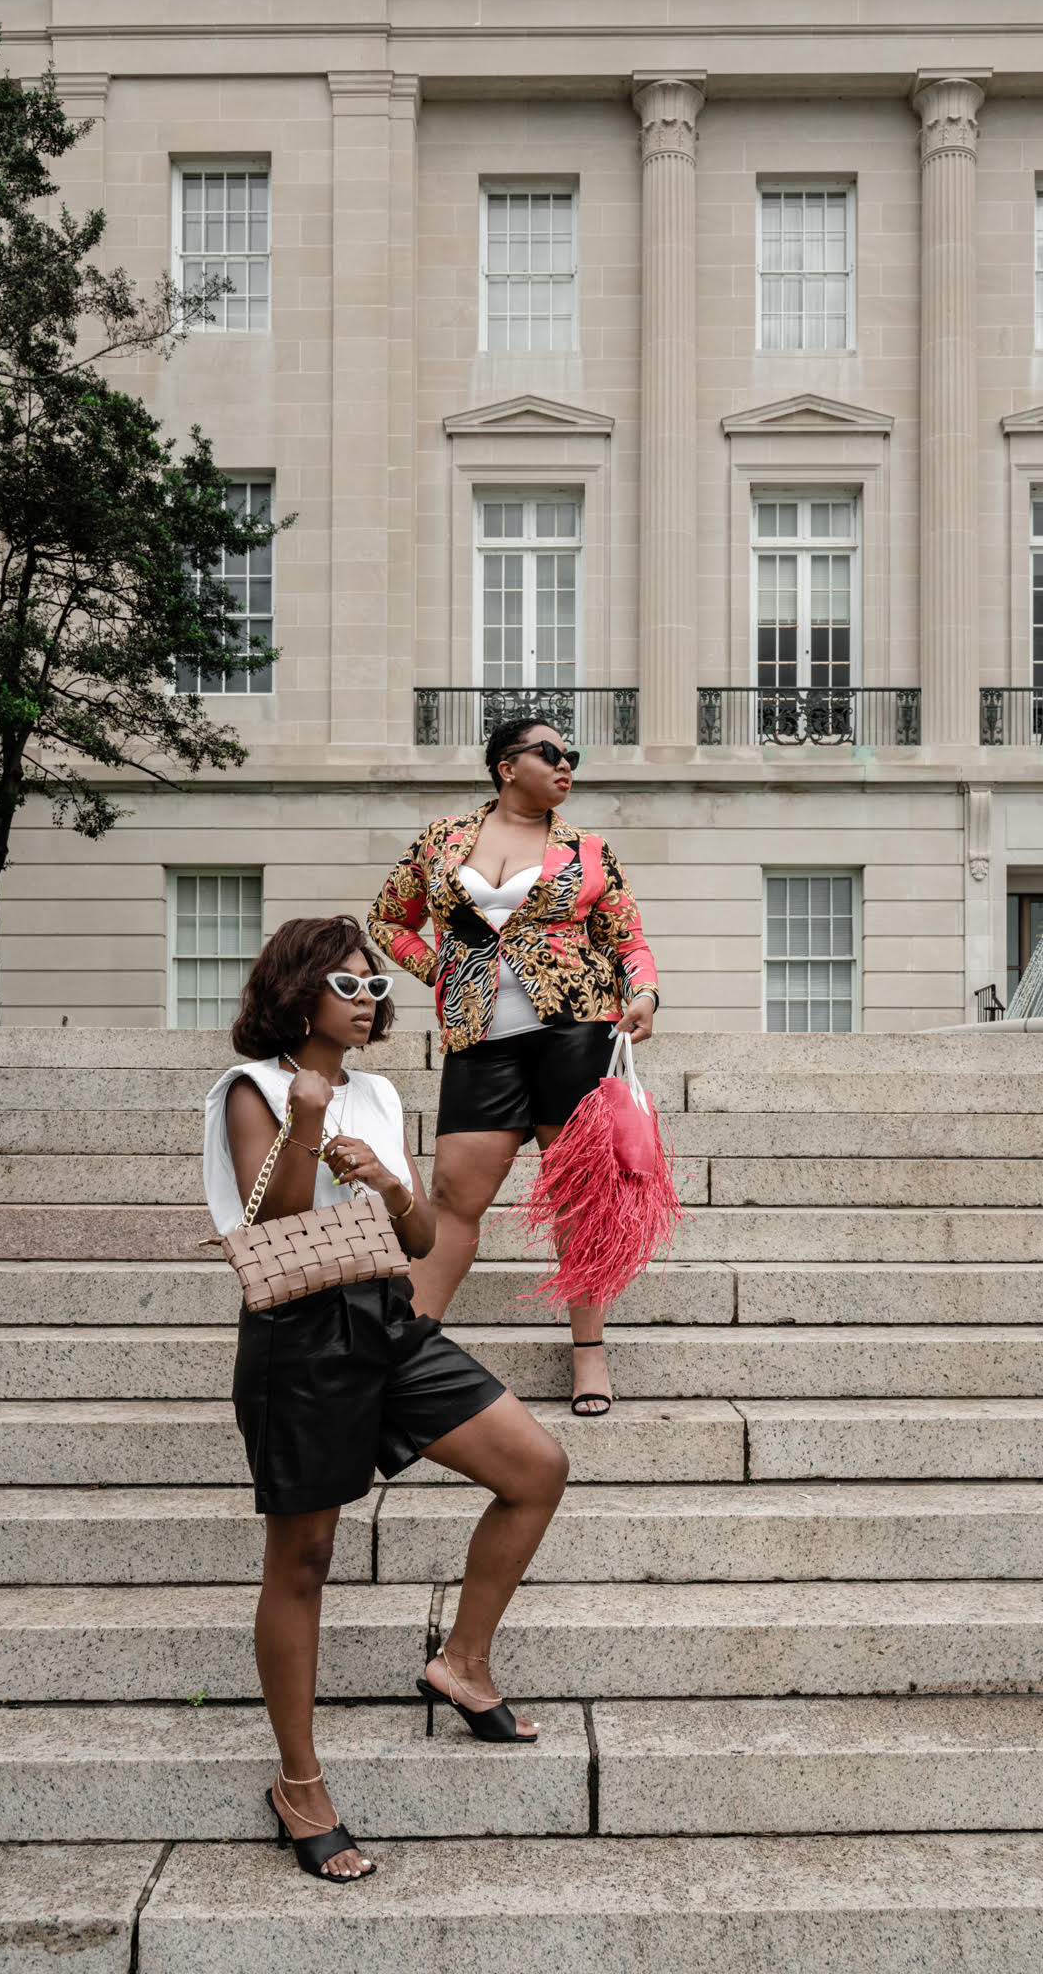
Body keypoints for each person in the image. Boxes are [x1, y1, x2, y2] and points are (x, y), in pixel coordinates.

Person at [204, 914, 570, 1884]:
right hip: (299, 1333)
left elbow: (415, 1236)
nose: (369, 1001)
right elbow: (274, 1217)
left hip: (387, 1316)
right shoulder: (255, 1089)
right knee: (305, 1555)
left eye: (375, 987)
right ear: (299, 989)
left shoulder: (377, 1088)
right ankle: (300, 1782)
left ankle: (463, 1659)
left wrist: (381, 1178)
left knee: (535, 1465)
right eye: (349, 985)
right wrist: (309, 1121)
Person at [367, 716, 660, 1416]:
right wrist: (442, 969)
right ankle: (411, 1343)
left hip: (575, 1032)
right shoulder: (442, 840)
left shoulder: (587, 848)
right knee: (454, 1193)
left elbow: (627, 938)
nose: (568, 766)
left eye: (574, 758)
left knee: (578, 1199)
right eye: (552, 754)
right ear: (507, 765)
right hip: (479, 1037)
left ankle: (588, 1354)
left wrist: (644, 991)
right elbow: (387, 920)